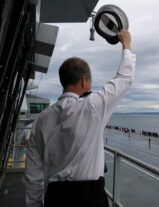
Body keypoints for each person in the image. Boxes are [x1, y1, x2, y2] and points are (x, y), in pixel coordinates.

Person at [23, 30, 135, 207]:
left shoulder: (41, 120)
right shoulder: (92, 106)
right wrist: (126, 44)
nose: (90, 86)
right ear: (84, 81)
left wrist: (35, 204)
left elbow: (33, 173)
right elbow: (124, 78)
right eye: (90, 82)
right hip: (89, 197)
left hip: (55, 197)